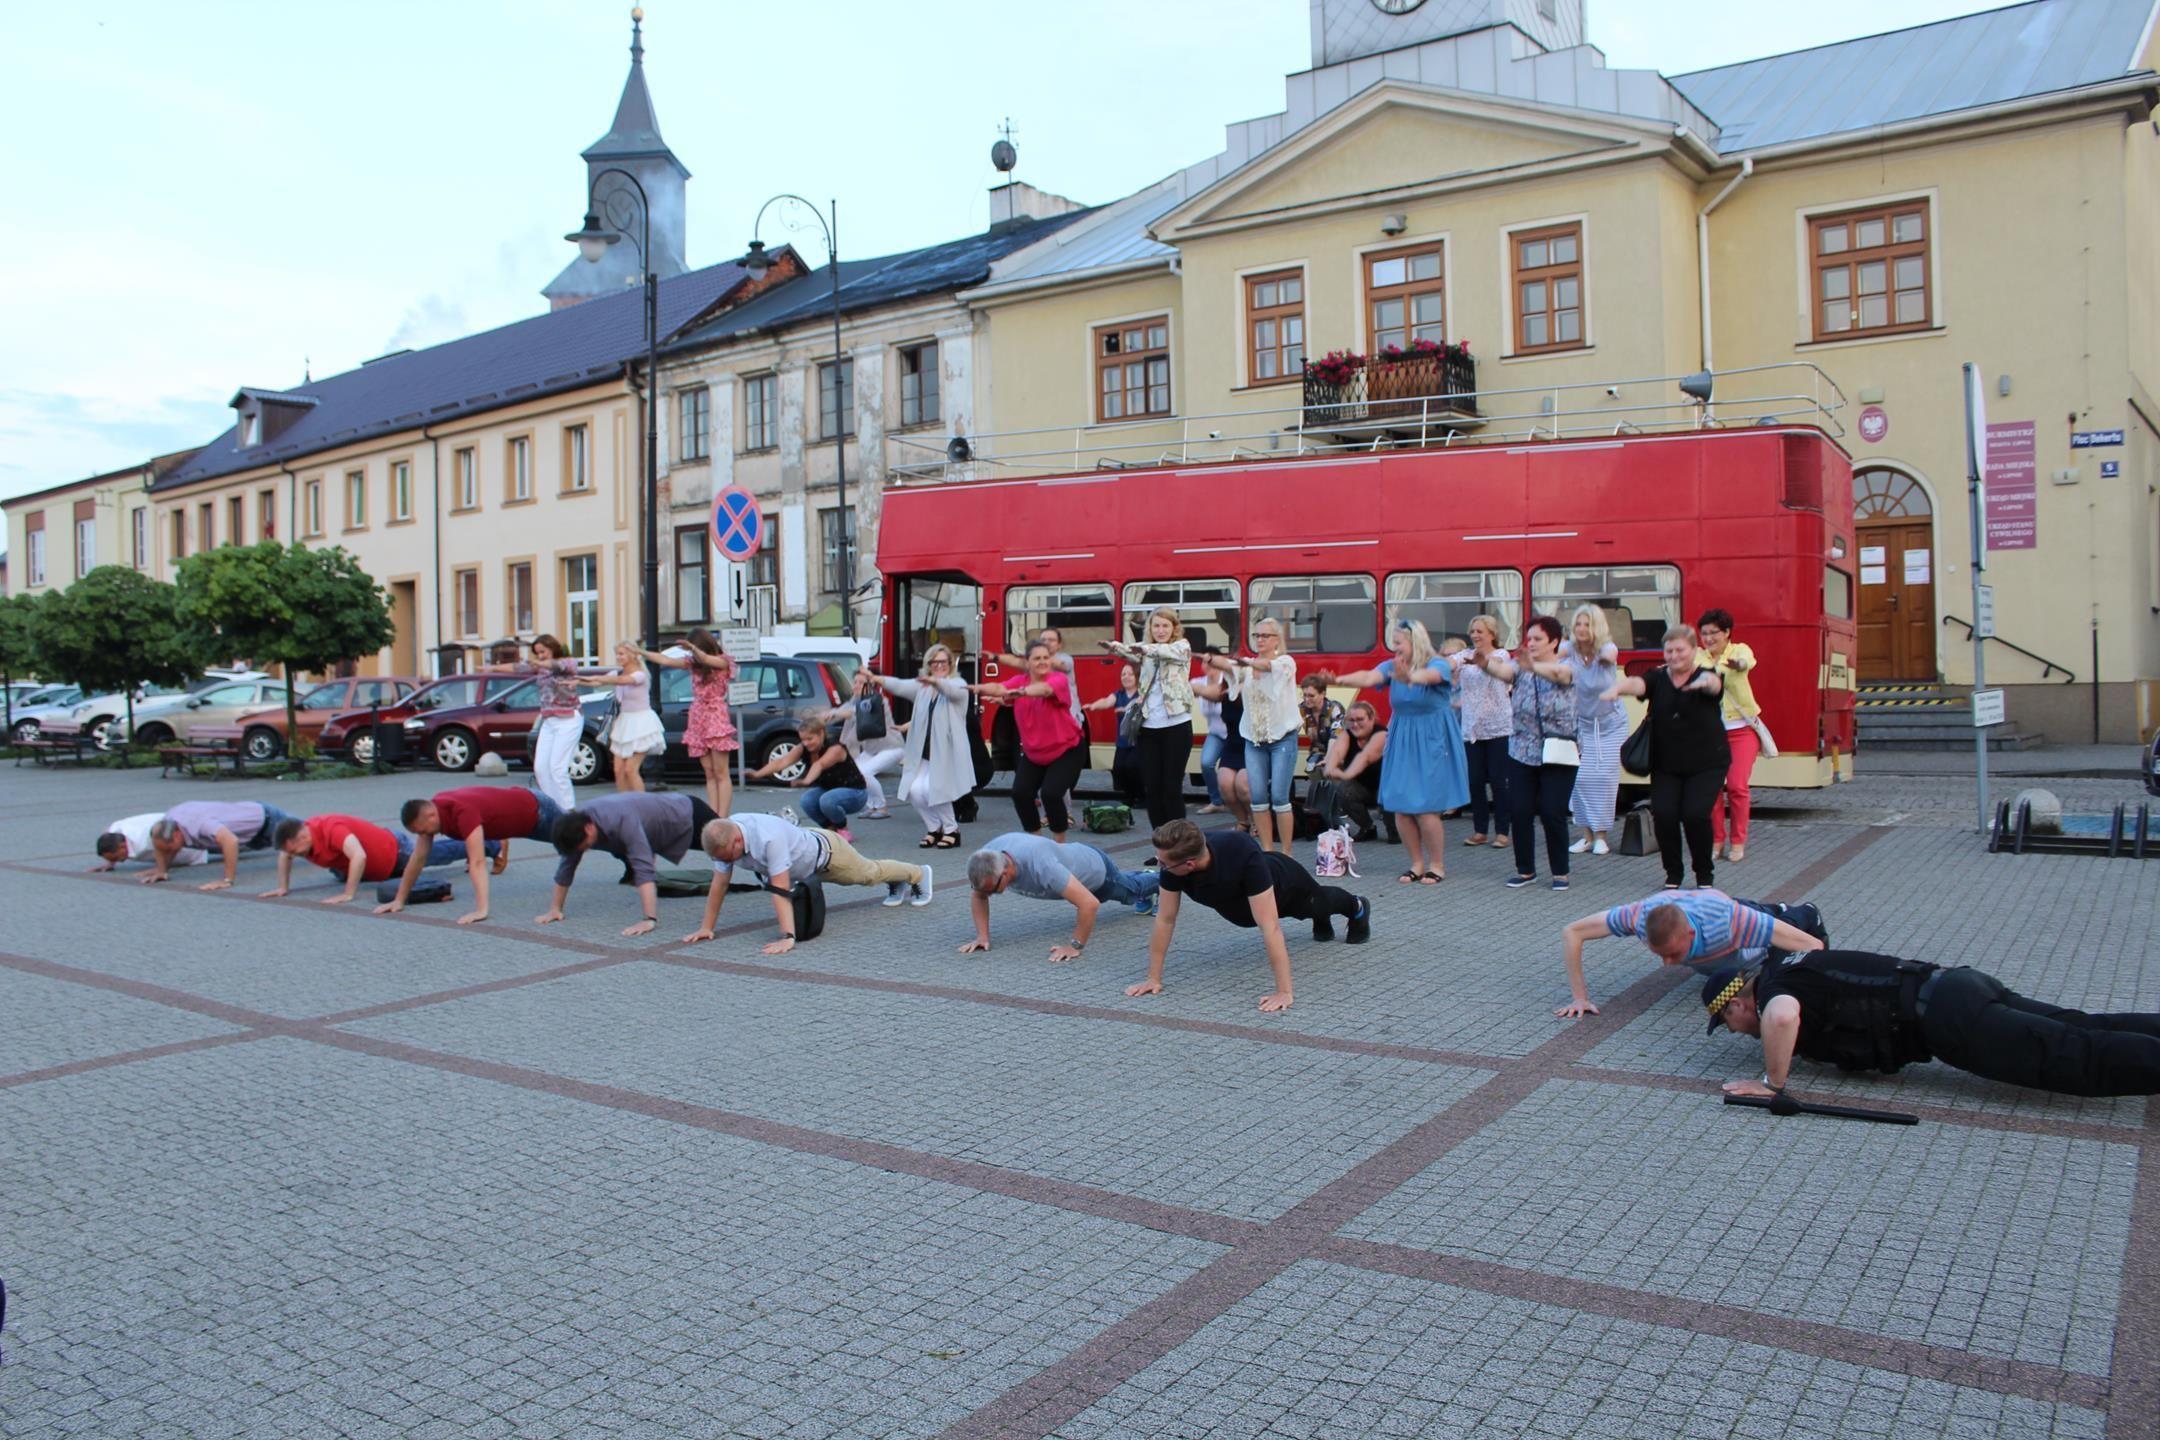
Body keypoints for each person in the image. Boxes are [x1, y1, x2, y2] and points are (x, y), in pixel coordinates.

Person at [1704, 951, 2160, 1099]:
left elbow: (1782, 1016)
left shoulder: (1773, 997)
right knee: (2080, 1027)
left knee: (2072, 1058)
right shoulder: (1792, 967)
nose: (1738, 1032)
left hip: (1948, 1020)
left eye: (1729, 1024)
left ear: (1736, 1006)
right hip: (1957, 985)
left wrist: (1772, 1084)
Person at [1126, 819, 1370, 1013]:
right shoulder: (1172, 863)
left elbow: (1270, 927)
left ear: (1189, 864)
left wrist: (1284, 992)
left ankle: (1357, 906)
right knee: (1311, 913)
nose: (1160, 865)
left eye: (1163, 862)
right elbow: (1165, 919)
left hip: (1285, 885)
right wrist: (1152, 978)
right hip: (1242, 908)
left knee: (1319, 904)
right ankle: (1320, 920)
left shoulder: (1240, 852)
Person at [1552, 889, 1828, 1018]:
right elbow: (1572, 932)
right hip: (1710, 936)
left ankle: (1798, 911)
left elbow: (1813, 947)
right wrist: (1580, 998)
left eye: (1673, 953)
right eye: (1659, 954)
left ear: (1691, 935)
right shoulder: (1637, 917)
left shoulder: (1730, 922)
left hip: (1746, 923)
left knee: (1781, 939)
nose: (1668, 963)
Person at [1336, 619, 1468, 884]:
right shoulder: (1392, 665)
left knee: (1426, 807)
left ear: (1415, 642)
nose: (1394, 647)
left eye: (1398, 642)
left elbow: (1429, 677)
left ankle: (1437, 865)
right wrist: (1339, 678)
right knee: (1401, 806)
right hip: (1403, 737)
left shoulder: (1437, 664)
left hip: (1432, 738)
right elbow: (1369, 677)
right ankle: (1416, 863)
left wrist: (1410, 677)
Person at [685, 814, 930, 953]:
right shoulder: (725, 837)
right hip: (803, 859)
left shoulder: (769, 838)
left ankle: (918, 874)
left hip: (830, 856)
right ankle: (897, 882)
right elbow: (719, 884)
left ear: (737, 841)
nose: (727, 863)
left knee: (868, 874)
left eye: (728, 857)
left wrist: (788, 937)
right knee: (871, 875)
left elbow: (780, 890)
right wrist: (706, 927)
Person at [1601, 625, 1727, 890]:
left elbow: (1715, 686)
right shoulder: (1658, 678)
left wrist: (1705, 683)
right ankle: (1673, 874)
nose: (1674, 655)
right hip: (1667, 763)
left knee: (1694, 814)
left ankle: (1704, 875)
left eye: (1680, 650)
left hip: (1706, 763)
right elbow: (1639, 683)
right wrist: (1618, 688)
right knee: (1665, 815)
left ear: (1694, 650)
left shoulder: (1706, 675)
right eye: (1669, 650)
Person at [1481, 615, 1578, 890]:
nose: (1531, 643)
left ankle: (1560, 872)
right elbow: (1504, 672)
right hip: (1523, 749)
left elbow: (1560, 676)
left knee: (1551, 811)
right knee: (1520, 810)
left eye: (1538, 639)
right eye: (1529, 638)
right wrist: (1484, 664)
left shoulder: (1568, 666)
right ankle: (1525, 870)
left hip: (1559, 750)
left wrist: (1533, 666)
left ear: (1555, 642)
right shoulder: (1520, 667)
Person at [540, 790, 719, 936]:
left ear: (589, 828)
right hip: (660, 825)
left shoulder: (621, 819)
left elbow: (644, 868)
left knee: (730, 846)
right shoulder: (575, 825)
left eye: (585, 845)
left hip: (686, 814)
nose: (586, 850)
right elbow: (566, 866)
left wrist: (649, 919)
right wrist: (555, 909)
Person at [961, 833, 1161, 962]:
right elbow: (978, 896)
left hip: (1097, 873)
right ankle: (1147, 878)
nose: (988, 894)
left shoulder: (1042, 865)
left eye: (993, 890)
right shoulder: (985, 860)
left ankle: (1166, 878)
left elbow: (1089, 904)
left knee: (1131, 892)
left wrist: (1074, 946)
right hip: (1073, 863)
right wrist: (982, 937)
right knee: (1127, 883)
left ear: (1006, 871)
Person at [380, 785, 563, 924]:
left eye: (422, 831)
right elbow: (418, 857)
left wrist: (481, 910)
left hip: (538, 811)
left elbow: (477, 862)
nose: (423, 835)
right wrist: (399, 899)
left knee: (585, 838)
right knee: (581, 841)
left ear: (430, 815)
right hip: (525, 821)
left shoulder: (462, 811)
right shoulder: (435, 811)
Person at [1201, 618, 1302, 858]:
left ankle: (1286, 854)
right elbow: (1229, 668)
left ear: (1277, 639)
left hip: (1282, 739)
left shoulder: (1285, 662)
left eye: (1265, 635)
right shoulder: (1245, 668)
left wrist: (1246, 663)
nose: (1260, 640)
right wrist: (1212, 660)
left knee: (1279, 797)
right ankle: (1267, 852)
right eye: (1257, 635)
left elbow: (1268, 667)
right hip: (1254, 740)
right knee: (1257, 798)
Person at [974, 641, 1086, 843]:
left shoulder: (1058, 679)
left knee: (1051, 794)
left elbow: (1044, 690)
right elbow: (999, 687)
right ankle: (1037, 842)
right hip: (1035, 753)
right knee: (1021, 793)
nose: (1043, 662)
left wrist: (1023, 692)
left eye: (1046, 657)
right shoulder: (1019, 680)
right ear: (1027, 663)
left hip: (1067, 749)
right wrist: (975, 688)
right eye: (1037, 658)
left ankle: (1059, 845)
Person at [870, 644, 974, 848]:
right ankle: (934, 828)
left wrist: (936, 681)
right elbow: (901, 686)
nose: (939, 666)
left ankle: (952, 830)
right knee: (915, 790)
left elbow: (951, 691)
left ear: (950, 664)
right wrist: (878, 679)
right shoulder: (924, 689)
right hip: (925, 750)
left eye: (943, 662)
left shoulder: (958, 684)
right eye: (934, 662)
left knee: (933, 789)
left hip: (946, 751)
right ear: (928, 664)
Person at [262, 814, 479, 906]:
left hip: (394, 852)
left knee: (437, 855)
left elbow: (359, 855)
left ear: (302, 836)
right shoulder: (297, 840)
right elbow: (285, 855)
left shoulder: (331, 828)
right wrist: (282, 887)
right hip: (376, 868)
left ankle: (489, 845)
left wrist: (348, 894)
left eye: (297, 852)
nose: (296, 856)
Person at [1106, 607, 1195, 829]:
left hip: (1176, 726)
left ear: (1174, 628)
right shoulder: (1145, 653)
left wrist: (1143, 648)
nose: (1161, 630)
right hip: (1148, 727)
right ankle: (1161, 845)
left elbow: (1164, 652)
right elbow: (1130, 654)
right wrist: (1114, 648)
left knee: (1171, 788)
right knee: (1152, 789)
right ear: (1150, 628)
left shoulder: (1181, 646)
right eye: (1156, 625)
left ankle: (1180, 842)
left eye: (1166, 625)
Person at [639, 630, 737, 817]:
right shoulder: (694, 663)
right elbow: (665, 660)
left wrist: (692, 648)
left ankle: (723, 817)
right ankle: (713, 815)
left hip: (716, 715)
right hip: (698, 716)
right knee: (709, 772)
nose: (691, 655)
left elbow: (708, 659)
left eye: (694, 649)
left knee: (721, 772)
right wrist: (640, 652)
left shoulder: (722, 661)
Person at [485, 635, 584, 810]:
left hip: (568, 718)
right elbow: (517, 667)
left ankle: (569, 809)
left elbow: (553, 665)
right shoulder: (540, 667)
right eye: (537, 653)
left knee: (557, 768)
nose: (540, 656)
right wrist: (492, 668)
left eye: (543, 652)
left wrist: (538, 663)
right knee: (540, 768)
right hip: (549, 720)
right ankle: (552, 805)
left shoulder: (568, 663)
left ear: (552, 648)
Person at [1699, 609, 1765, 863]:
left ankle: (1738, 841)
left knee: (1737, 786)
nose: (1708, 638)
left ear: (1726, 633)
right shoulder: (1698, 657)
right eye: (1704, 633)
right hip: (1711, 732)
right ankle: (1717, 840)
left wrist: (1736, 665)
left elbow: (1747, 662)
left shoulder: (1739, 651)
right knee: (1713, 788)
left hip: (1742, 729)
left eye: (1713, 632)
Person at [1561, 606, 1626, 857]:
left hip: (1610, 724)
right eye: (1578, 624)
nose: (1581, 629)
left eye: (1587, 624)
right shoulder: (1568, 652)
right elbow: (1553, 658)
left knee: (1604, 779)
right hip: (1583, 724)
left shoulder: (1607, 649)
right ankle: (1586, 835)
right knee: (1580, 780)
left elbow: (1610, 656)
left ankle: (1602, 836)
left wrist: (1599, 658)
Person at [1449, 615, 1513, 850]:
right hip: (1472, 728)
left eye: (1480, 631)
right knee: (1475, 781)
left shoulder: (1501, 656)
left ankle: (1503, 831)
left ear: (1492, 635)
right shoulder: (1464, 655)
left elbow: (1499, 669)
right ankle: (1480, 830)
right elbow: (1450, 663)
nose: (1475, 635)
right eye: (1473, 631)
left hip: (1497, 727)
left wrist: (1482, 662)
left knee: (1499, 781)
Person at [742, 716, 866, 836]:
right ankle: (830, 829)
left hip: (855, 792)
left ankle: (843, 829)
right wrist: (757, 773)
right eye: (803, 739)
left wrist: (805, 781)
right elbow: (782, 762)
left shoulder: (835, 748)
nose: (806, 743)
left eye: (810, 739)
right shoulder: (803, 748)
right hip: (830, 790)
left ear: (821, 733)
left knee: (827, 800)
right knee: (807, 800)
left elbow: (820, 764)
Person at [138, 800, 299, 890]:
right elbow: (159, 845)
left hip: (268, 820)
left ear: (177, 835)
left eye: (169, 848)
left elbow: (230, 841)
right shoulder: (167, 823)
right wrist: (161, 870)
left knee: (311, 836)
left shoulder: (199, 824)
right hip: (251, 836)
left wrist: (227, 880)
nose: (167, 853)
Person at [587, 640, 665, 792]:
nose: (618, 657)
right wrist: (575, 679)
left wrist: (602, 679)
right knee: (618, 770)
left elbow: (622, 681)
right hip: (625, 722)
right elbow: (596, 682)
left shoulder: (640, 674)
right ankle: (625, 803)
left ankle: (641, 805)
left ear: (633, 655)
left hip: (642, 723)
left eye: (622, 654)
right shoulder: (617, 673)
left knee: (631, 769)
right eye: (617, 654)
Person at [1316, 701, 1394, 843]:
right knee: (1344, 790)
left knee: (1395, 834)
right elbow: (1338, 751)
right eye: (1351, 720)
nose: (1355, 724)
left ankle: (1394, 829)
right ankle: (1367, 828)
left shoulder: (1381, 733)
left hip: (1386, 787)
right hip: (1363, 786)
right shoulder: (1348, 735)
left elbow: (1366, 757)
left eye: (1360, 720)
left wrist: (1344, 773)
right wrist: (1329, 764)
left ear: (1371, 719)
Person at [830, 668, 904, 819]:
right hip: (872, 750)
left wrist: (834, 713)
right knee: (857, 773)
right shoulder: (854, 700)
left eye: (860, 683)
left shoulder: (878, 701)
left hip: (892, 748)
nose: (855, 686)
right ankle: (872, 807)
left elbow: (853, 712)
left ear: (871, 685)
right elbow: (842, 710)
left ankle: (882, 807)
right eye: (855, 682)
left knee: (865, 773)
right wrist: (822, 716)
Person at [1191, 669, 1251, 834]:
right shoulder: (1223, 693)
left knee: (1242, 787)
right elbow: (1199, 689)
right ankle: (1242, 821)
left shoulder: (1251, 691)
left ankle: (1256, 820)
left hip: (1249, 745)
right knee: (1225, 786)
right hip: (1231, 744)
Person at [93, 813, 206, 874]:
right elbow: (108, 838)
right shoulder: (114, 830)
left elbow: (168, 851)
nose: (119, 861)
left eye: (116, 858)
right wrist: (110, 863)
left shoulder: (143, 845)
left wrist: (161, 869)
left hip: (188, 836)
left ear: (122, 846)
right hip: (169, 819)